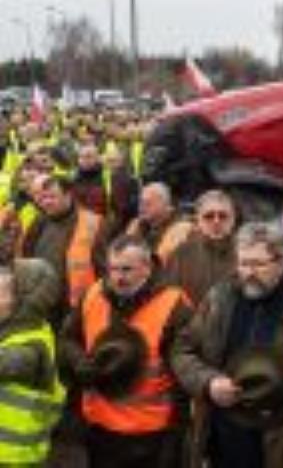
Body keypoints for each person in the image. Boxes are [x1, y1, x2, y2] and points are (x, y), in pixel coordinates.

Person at [172, 221, 283, 468]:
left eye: (258, 264)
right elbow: (183, 350)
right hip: (225, 444)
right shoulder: (218, 299)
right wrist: (208, 382)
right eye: (243, 263)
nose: (248, 272)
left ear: (281, 263)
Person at [59, 234, 194, 468]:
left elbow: (183, 377)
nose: (118, 278)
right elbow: (68, 338)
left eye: (126, 270)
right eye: (113, 269)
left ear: (147, 267)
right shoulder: (94, 294)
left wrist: (176, 437)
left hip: (151, 434)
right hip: (100, 427)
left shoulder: (174, 305)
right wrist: (79, 361)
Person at [20, 173, 106, 329]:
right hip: (42, 304)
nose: (47, 202)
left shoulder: (94, 224)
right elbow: (26, 256)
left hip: (76, 308)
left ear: (68, 195)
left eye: (52, 197)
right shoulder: (38, 222)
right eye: (43, 197)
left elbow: (104, 269)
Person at [0, 265, 65, 465]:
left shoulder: (30, 347)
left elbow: (6, 363)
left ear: (21, 302)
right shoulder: (16, 328)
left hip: (14, 457)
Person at [166, 188, 238, 307]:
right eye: (209, 216)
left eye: (223, 216)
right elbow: (169, 297)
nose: (216, 221)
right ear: (198, 220)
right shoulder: (182, 253)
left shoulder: (245, 253)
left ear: (233, 219)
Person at [126, 182, 193, 266]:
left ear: (164, 204)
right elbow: (122, 254)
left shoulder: (181, 227)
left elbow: (159, 261)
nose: (141, 208)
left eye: (148, 203)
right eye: (140, 203)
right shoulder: (138, 224)